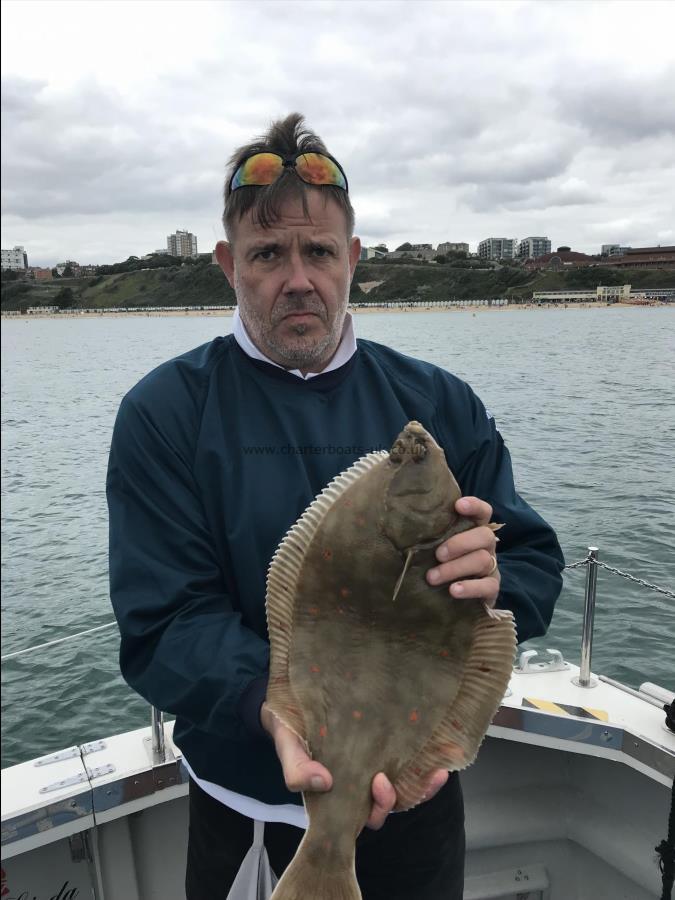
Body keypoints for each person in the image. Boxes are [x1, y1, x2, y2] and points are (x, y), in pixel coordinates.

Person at [107, 112, 564, 899]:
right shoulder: (165, 412)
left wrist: (493, 582)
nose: (297, 278)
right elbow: (163, 623)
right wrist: (271, 709)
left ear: (353, 259)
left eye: (318, 251)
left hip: (415, 811)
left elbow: (530, 561)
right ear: (227, 265)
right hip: (248, 812)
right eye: (266, 254)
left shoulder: (438, 404)